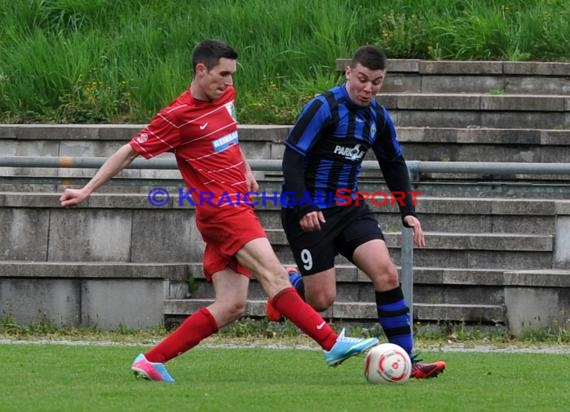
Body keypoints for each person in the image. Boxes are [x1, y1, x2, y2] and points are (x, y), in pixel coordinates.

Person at [59, 39, 379, 383]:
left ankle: (152, 360)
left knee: (231, 305)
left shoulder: (225, 96)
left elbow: (228, 134)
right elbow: (129, 151)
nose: (229, 82)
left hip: (234, 208)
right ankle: (331, 343)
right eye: (222, 74)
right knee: (275, 276)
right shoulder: (177, 116)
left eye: (231, 74)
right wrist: (87, 189)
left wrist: (243, 167)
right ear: (201, 70)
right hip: (223, 212)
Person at [267, 45, 446, 379]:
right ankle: (290, 286)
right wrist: (304, 204)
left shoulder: (377, 116)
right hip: (308, 209)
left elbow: (393, 162)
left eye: (376, 82)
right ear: (349, 73)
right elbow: (292, 159)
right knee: (321, 300)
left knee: (387, 274)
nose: (368, 88)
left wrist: (407, 209)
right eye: (363, 79)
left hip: (350, 208)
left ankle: (408, 360)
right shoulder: (324, 107)